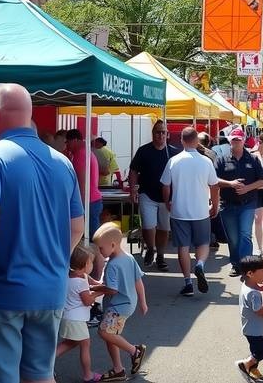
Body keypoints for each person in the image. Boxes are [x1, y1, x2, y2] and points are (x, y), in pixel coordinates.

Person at [0, 83, 85, 383]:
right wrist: (51, 261)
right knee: (40, 376)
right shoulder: (62, 162)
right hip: (50, 290)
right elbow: (77, 226)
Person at [160, 127, 219, 296]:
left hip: (179, 210)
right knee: (203, 243)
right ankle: (200, 264)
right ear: (197, 141)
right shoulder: (206, 161)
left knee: (183, 247)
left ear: (182, 141)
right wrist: (215, 206)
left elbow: (165, 185)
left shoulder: (174, 161)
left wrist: (167, 202)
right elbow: (214, 186)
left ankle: (188, 282)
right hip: (201, 210)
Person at [92, 223, 148, 381]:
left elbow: (112, 290)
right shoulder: (129, 258)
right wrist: (143, 302)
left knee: (104, 332)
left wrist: (94, 290)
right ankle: (118, 369)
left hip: (118, 306)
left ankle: (135, 351)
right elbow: (138, 281)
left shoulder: (112, 265)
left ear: (112, 245)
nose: (99, 252)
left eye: (101, 248)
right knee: (111, 335)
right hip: (128, 304)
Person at [215, 128, 263, 277]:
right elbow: (214, 180)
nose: (236, 142)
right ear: (229, 141)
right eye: (233, 140)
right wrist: (230, 184)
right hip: (227, 204)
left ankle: (246, 266)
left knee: (245, 235)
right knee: (233, 238)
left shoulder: (252, 159)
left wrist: (247, 188)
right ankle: (236, 264)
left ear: (243, 140)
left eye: (238, 140)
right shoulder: (221, 159)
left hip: (248, 204)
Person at [129, 120, 181, 271]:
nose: (161, 135)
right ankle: (150, 249)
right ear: (153, 134)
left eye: (163, 132)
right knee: (148, 225)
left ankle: (161, 255)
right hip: (147, 193)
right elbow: (133, 171)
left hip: (167, 197)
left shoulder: (173, 152)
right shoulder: (143, 151)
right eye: (158, 132)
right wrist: (133, 190)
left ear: (167, 134)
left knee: (164, 228)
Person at [56, 246, 104, 383]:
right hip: (76, 320)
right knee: (85, 344)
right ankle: (88, 375)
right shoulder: (81, 282)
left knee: (71, 343)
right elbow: (87, 301)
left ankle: (46, 362)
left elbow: (90, 279)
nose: (92, 265)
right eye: (91, 263)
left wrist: (97, 284)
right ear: (84, 265)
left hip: (68, 318)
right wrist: (100, 292)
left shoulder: (70, 276)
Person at [235, 254, 263, 379]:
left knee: (259, 349)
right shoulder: (253, 294)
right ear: (250, 273)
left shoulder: (247, 285)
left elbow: (259, 288)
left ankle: (252, 368)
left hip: (251, 328)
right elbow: (259, 311)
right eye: (262, 271)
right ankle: (245, 364)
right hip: (256, 330)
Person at [67, 129, 103, 244]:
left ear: (74, 140)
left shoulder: (80, 155)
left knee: (91, 241)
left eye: (67, 142)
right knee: (93, 239)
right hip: (92, 200)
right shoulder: (86, 152)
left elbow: (82, 183)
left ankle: (96, 256)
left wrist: (80, 208)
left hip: (88, 202)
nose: (67, 145)